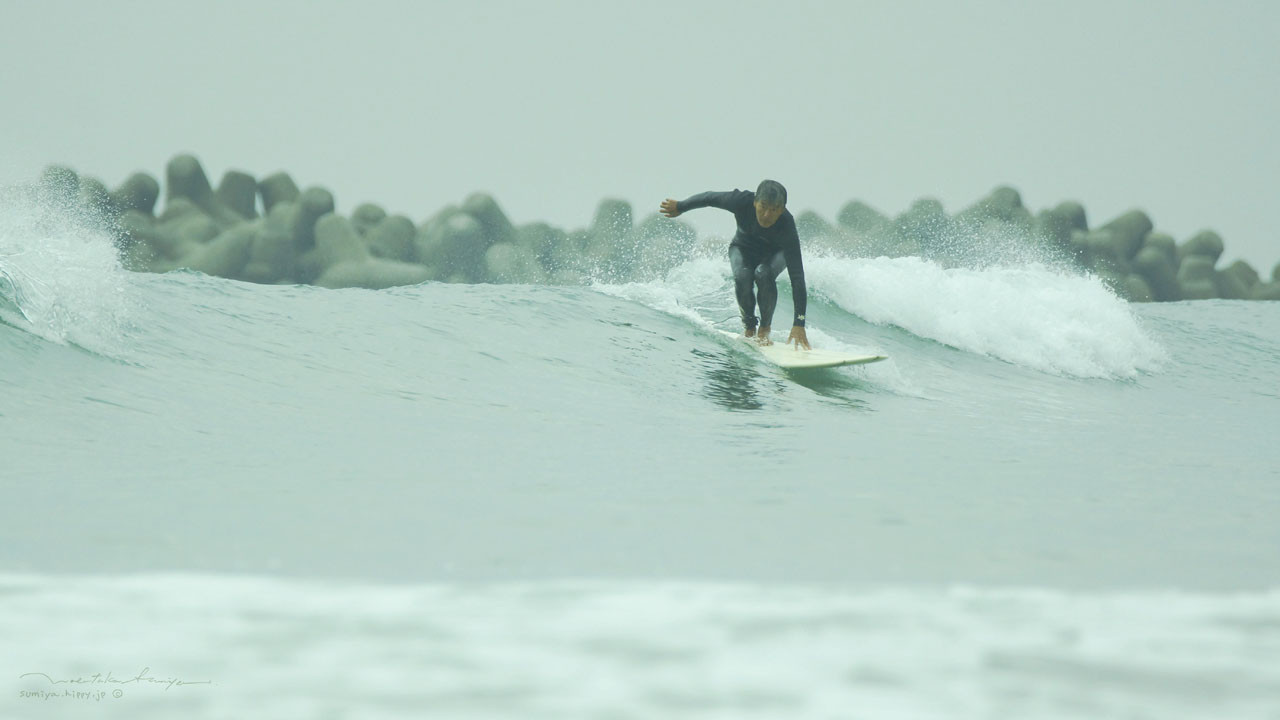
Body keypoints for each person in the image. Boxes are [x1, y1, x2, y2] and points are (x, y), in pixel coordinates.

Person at [660, 180, 810, 349]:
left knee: (763, 273)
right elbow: (709, 198)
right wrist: (680, 206)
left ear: (781, 210)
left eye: (774, 210)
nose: (767, 215)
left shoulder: (787, 224)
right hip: (742, 248)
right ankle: (749, 328)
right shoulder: (741, 201)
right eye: (763, 207)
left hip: (775, 255)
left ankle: (764, 329)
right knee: (742, 276)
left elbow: (797, 277)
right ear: (755, 202)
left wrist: (799, 323)